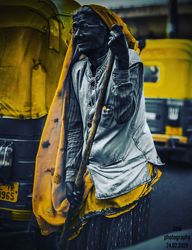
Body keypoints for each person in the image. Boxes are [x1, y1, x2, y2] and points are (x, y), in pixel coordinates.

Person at [32, 4, 163, 250]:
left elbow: (124, 115)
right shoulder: (78, 70)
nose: (77, 34)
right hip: (90, 175)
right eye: (75, 28)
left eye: (85, 27)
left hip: (126, 178)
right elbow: (73, 128)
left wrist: (121, 64)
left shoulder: (129, 61)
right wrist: (70, 176)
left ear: (105, 32)